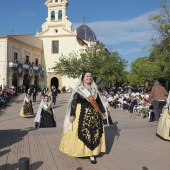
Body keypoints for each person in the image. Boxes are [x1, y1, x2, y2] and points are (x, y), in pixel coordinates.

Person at [59, 71, 107, 164]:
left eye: (90, 76)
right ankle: (81, 151)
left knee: (93, 133)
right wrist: (72, 115)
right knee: (82, 132)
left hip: (94, 115)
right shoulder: (79, 89)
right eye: (87, 76)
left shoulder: (94, 89)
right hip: (81, 114)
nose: (89, 78)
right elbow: (74, 103)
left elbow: (99, 102)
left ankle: (92, 154)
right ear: (83, 78)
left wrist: (104, 112)